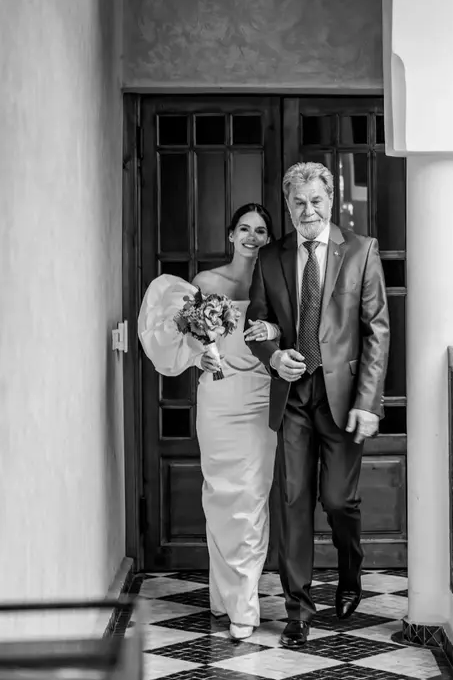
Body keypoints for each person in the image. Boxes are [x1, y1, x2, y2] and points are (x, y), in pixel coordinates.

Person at [245, 162, 390, 649]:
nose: (308, 210)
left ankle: (350, 575)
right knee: (292, 502)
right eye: (298, 202)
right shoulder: (270, 258)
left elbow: (377, 332)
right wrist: (273, 354)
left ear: (332, 200)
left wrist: (369, 401)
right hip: (293, 399)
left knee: (337, 501)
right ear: (288, 206)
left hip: (344, 399)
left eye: (316, 201)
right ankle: (298, 609)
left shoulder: (362, 251)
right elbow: (258, 325)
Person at [138, 203, 279, 641]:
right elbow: (189, 337)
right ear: (232, 235)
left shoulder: (276, 282)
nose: (252, 236)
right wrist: (203, 347)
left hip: (259, 398)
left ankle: (243, 605)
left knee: (250, 496)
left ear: (268, 239)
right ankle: (225, 595)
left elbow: (290, 332)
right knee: (220, 495)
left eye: (260, 230)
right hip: (217, 396)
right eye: (244, 229)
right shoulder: (206, 284)